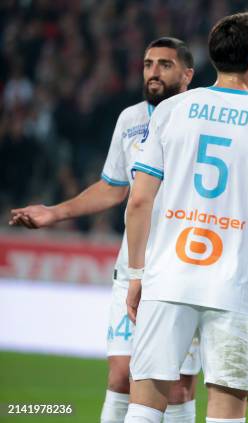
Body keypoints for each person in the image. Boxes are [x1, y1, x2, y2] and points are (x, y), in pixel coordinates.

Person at [123, 12, 248, 423]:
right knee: (226, 412)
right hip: (236, 287)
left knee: (144, 405)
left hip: (169, 276)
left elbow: (139, 202)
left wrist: (137, 273)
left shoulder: (171, 111)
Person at [9, 37, 200, 423]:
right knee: (120, 375)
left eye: (164, 64)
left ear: (187, 74)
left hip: (182, 267)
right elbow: (114, 186)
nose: (153, 72)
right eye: (148, 64)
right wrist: (54, 213)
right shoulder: (130, 120)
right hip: (131, 266)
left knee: (179, 385)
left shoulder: (200, 118)